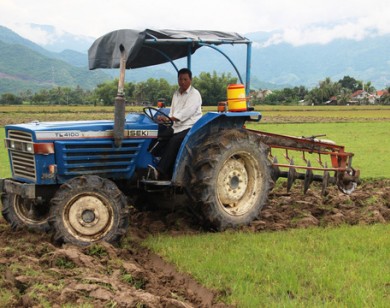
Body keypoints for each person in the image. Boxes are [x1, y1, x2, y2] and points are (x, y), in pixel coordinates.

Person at [149, 68, 202, 180]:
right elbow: (173, 111)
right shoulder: (176, 94)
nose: (182, 82)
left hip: (190, 127)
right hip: (176, 126)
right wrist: (165, 119)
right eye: (180, 79)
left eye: (185, 79)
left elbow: (186, 113)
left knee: (174, 141)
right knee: (158, 135)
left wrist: (171, 118)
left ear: (190, 80)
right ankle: (151, 161)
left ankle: (161, 171)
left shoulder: (194, 94)